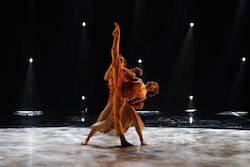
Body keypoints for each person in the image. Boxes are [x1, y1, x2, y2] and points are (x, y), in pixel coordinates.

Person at [81, 23, 159, 146]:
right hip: (116, 93)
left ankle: (140, 140)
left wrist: (137, 106)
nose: (118, 61)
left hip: (123, 96)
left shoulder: (127, 77)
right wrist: (117, 36)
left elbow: (130, 79)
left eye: (120, 61)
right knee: (104, 120)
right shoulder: (117, 69)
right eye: (118, 60)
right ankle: (91, 139)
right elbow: (114, 55)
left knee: (134, 119)